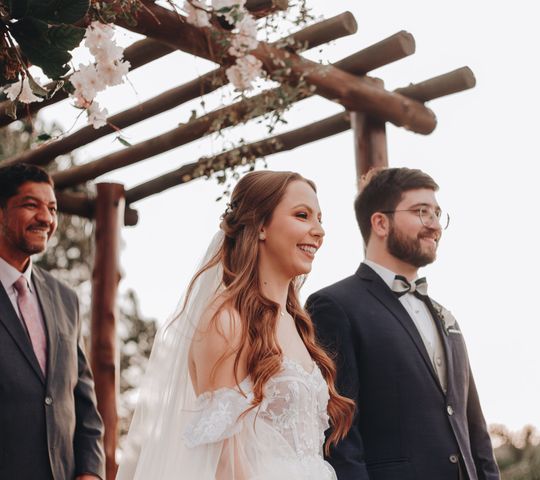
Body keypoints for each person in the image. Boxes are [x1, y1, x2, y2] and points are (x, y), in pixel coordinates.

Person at [117, 170, 354, 480]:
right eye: (302, 215)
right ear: (261, 226)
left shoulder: (298, 324)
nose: (319, 230)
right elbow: (223, 459)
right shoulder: (226, 320)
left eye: (320, 219)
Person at [307, 167, 500, 480]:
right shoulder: (334, 306)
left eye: (437, 213)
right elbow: (339, 435)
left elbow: (474, 425)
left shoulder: (444, 314)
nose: (435, 225)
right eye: (421, 211)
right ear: (380, 222)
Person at [0, 164, 105, 480]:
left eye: (52, 208)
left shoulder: (65, 298)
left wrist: (90, 471)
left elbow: (83, 400)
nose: (46, 218)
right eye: (31, 205)